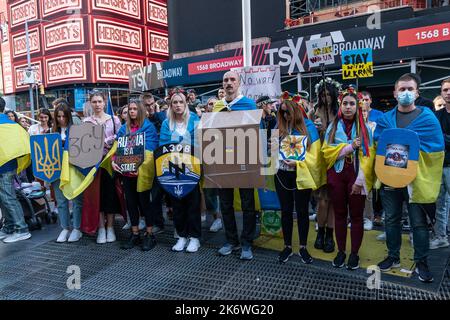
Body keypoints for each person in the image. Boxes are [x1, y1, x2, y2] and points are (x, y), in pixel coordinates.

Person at [375, 74, 444, 283]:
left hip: (416, 180)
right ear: (395, 93)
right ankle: (393, 256)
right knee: (392, 219)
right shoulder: (385, 119)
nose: (405, 93)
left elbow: (436, 149)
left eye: (410, 89)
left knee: (418, 223)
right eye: (402, 89)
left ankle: (421, 262)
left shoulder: (428, 118)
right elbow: (377, 145)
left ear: (417, 92)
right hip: (390, 177)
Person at [322, 87, 375, 270]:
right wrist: (349, 147)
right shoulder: (332, 127)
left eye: (352, 103)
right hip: (337, 175)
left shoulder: (365, 128)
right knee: (340, 215)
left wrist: (361, 180)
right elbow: (326, 152)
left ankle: (354, 254)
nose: (348, 107)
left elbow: (369, 156)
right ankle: (341, 251)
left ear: (358, 106)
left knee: (357, 216)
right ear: (340, 105)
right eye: (345, 103)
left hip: (356, 176)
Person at [213, 70, 258, 260]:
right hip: (223, 162)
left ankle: (247, 242)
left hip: (245, 161)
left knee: (248, 203)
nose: (229, 83)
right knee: (225, 203)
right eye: (225, 80)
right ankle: (232, 241)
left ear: (239, 83)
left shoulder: (249, 104)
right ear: (222, 85)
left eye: (232, 79)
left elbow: (257, 133)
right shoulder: (217, 106)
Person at [275, 93, 325, 264]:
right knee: (286, 211)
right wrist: (272, 148)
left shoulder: (309, 127)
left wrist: (298, 164)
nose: (285, 116)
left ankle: (303, 247)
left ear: (296, 111)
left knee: (302, 211)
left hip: (300, 174)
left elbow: (315, 156)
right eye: (282, 113)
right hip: (282, 175)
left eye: (288, 112)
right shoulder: (278, 127)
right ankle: (287, 246)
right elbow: (272, 153)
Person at [113, 99, 159, 251]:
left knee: (145, 204)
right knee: (131, 204)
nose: (132, 111)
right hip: (126, 173)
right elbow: (117, 148)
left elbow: (151, 150)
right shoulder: (123, 129)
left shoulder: (148, 127)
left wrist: (140, 167)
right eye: (130, 109)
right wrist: (114, 161)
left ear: (140, 110)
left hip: (142, 173)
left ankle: (149, 234)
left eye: (134, 109)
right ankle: (135, 234)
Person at [159, 90, 201, 252]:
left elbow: (198, 143)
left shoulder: (194, 120)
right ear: (171, 105)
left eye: (181, 102)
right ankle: (182, 236)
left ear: (186, 104)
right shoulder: (165, 123)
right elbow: (163, 145)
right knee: (177, 205)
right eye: (174, 102)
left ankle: (195, 238)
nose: (178, 105)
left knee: (193, 204)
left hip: (192, 169)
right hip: (172, 171)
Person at [82, 90, 123, 244]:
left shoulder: (115, 120)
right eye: (94, 102)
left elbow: (121, 141)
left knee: (110, 196)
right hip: (93, 164)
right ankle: (100, 228)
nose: (97, 104)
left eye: (100, 101)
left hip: (110, 163)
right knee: (96, 196)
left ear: (104, 102)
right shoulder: (86, 122)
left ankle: (110, 227)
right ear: (90, 103)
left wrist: (110, 141)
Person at [312, 77, 341, 254]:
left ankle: (330, 235)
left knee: (333, 201)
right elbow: (305, 132)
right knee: (322, 201)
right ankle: (320, 232)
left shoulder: (340, 112)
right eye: (323, 95)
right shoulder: (314, 111)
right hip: (319, 160)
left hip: (336, 159)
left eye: (329, 94)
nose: (326, 98)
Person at [0, 97, 32, 243]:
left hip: (3, 167)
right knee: (5, 198)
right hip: (10, 165)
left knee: (7, 198)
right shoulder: (12, 124)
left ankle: (21, 228)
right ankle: (9, 227)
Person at [51, 102, 84, 243]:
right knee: (61, 201)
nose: (61, 119)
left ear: (68, 116)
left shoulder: (76, 130)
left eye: (64, 116)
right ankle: (65, 227)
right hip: (57, 170)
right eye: (58, 116)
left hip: (74, 169)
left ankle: (77, 228)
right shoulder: (51, 133)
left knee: (77, 200)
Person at [142, 92, 168, 233]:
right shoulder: (142, 121)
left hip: (165, 160)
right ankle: (158, 222)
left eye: (152, 104)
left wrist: (157, 112)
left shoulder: (161, 116)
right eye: (147, 105)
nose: (150, 107)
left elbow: (167, 123)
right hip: (150, 163)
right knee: (155, 195)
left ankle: (179, 226)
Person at [431, 78, 450, 249]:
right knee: (440, 204)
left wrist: (443, 138)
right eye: (445, 90)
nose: (448, 93)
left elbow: (440, 138)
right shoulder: (437, 115)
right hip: (439, 166)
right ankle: (441, 236)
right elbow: (433, 138)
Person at [361, 96, 378, 231]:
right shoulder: (353, 127)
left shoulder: (373, 126)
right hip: (356, 162)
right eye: (360, 111)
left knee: (368, 193)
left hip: (369, 163)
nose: (363, 114)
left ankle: (368, 218)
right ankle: (357, 217)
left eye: (365, 111)